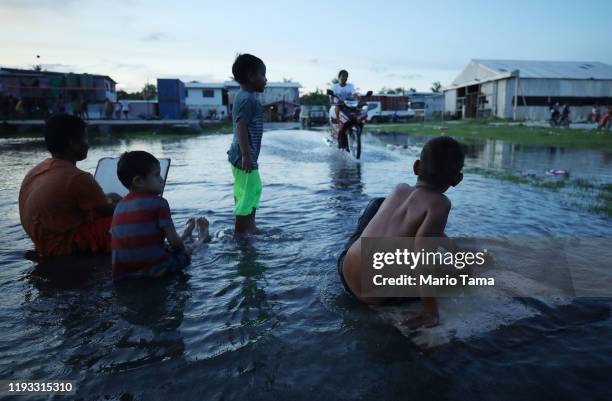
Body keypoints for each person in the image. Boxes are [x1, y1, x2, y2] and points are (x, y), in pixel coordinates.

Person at [338, 136, 465, 329]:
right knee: (451, 275)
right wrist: (431, 313)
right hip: (373, 295)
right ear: (457, 179)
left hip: (345, 270)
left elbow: (428, 234)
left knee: (379, 204)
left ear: (416, 167)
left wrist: (455, 252)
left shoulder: (399, 189)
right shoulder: (440, 204)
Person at [19, 114, 119, 259]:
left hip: (42, 243)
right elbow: (111, 211)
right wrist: (132, 204)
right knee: (129, 218)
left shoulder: (36, 171)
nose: (88, 144)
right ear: (73, 143)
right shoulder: (77, 178)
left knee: (112, 198)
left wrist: (112, 199)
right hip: (62, 247)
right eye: (85, 138)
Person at [111, 151, 210, 280]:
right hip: (156, 269)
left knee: (165, 246)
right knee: (185, 252)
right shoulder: (159, 203)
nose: (162, 180)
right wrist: (185, 251)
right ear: (139, 181)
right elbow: (174, 243)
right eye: (157, 175)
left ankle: (186, 234)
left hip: (123, 274)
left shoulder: (119, 206)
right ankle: (201, 237)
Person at [226, 53, 267, 236]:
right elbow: (240, 125)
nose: (266, 80)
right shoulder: (247, 99)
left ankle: (249, 226)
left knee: (249, 190)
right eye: (263, 75)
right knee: (251, 190)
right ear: (251, 76)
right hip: (242, 156)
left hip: (242, 155)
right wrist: (246, 155)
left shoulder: (245, 97)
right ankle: (241, 232)